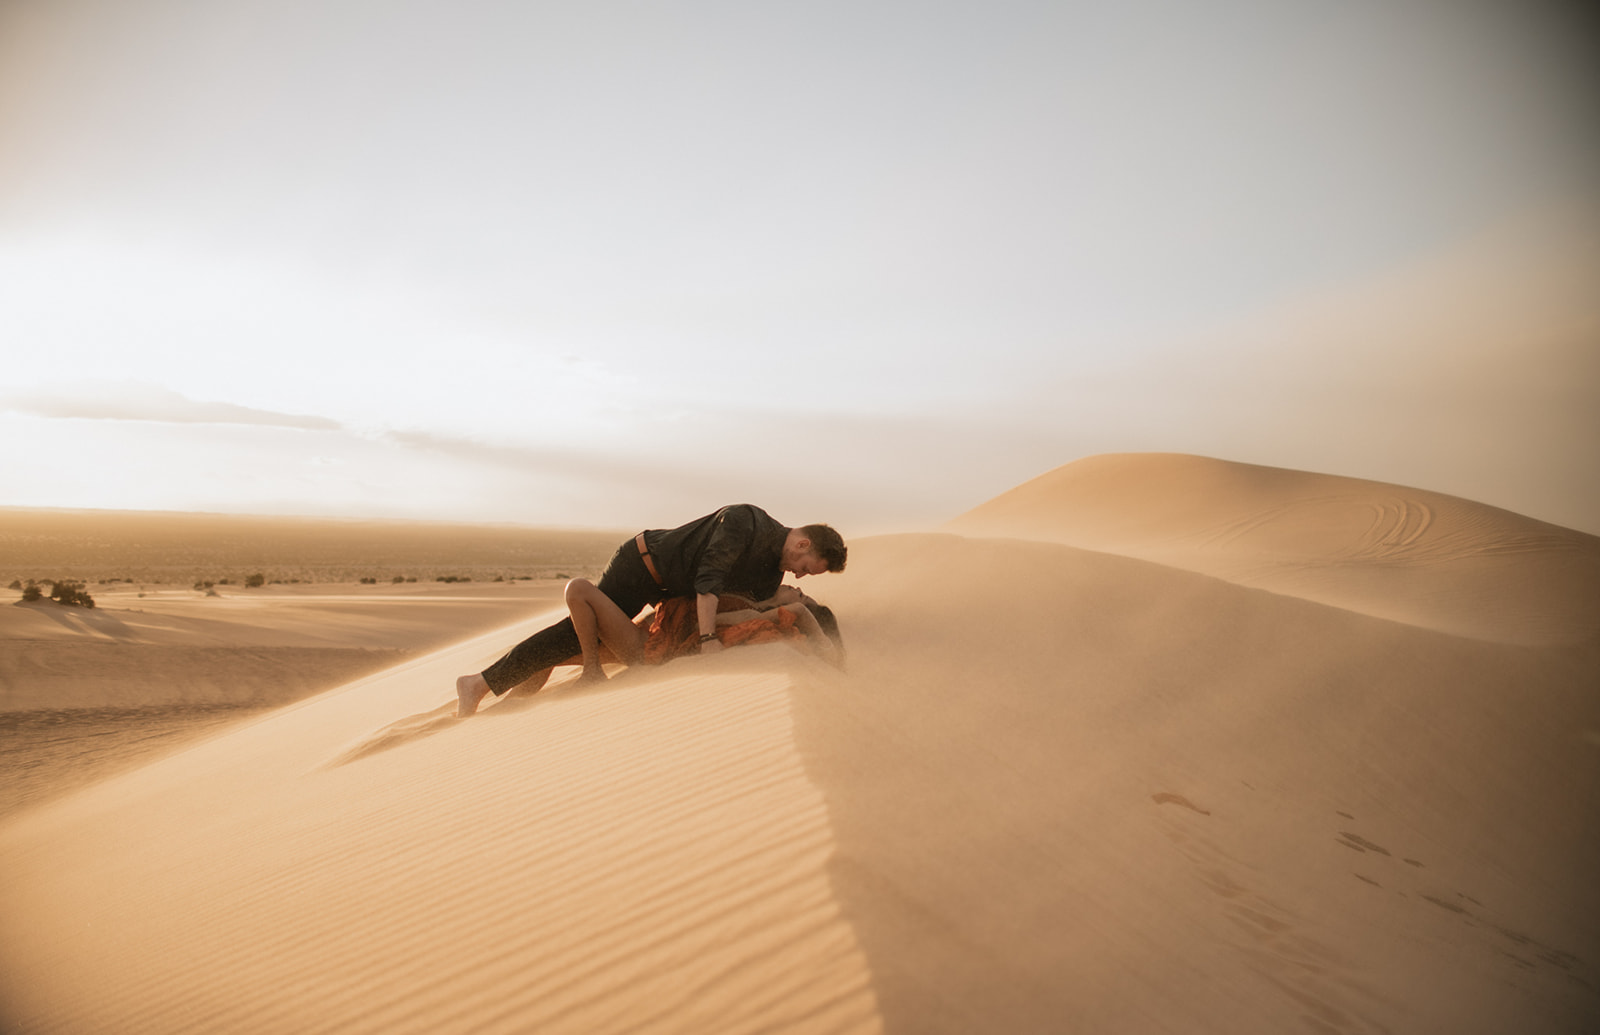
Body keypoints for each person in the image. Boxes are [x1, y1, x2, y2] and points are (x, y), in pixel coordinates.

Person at [455, 504, 846, 715]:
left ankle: (509, 692)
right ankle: (479, 683)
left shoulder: (769, 577)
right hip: (643, 566)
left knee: (576, 640)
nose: (802, 575)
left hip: (665, 597)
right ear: (802, 545)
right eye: (807, 567)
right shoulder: (746, 521)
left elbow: (745, 605)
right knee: (576, 634)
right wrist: (707, 638)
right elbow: (708, 582)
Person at [565, 581, 844, 679]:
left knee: (578, 589)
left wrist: (823, 640)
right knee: (552, 658)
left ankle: (592, 672)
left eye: (802, 594)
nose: (797, 589)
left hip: (644, 646)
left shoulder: (755, 614)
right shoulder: (748, 597)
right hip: (648, 632)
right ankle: (523, 690)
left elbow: (798, 612)